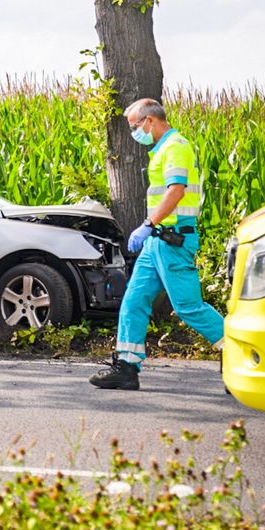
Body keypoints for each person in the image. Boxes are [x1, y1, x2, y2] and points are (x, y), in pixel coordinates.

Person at [90, 98, 224, 390]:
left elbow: (176, 191)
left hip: (173, 239)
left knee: (189, 308)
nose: (134, 133)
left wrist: (148, 224)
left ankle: (242, 354)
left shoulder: (175, 146)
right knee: (135, 300)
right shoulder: (162, 149)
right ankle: (126, 367)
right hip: (158, 240)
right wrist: (150, 230)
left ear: (150, 121)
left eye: (135, 126)